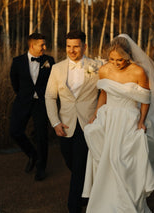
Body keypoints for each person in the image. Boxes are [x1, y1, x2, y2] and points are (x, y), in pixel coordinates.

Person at [82, 34, 154, 212]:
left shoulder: (138, 72)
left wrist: (141, 121)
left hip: (128, 118)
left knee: (121, 159)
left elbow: (146, 99)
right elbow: (103, 93)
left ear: (128, 56)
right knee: (105, 159)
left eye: (120, 59)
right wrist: (95, 114)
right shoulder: (104, 70)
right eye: (112, 59)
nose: (116, 63)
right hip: (108, 117)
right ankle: (106, 204)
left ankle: (127, 202)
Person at [45, 30, 101, 213]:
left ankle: (74, 206)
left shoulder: (97, 66)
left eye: (76, 46)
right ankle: (86, 192)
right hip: (66, 124)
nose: (72, 50)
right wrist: (55, 122)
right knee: (70, 161)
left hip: (89, 124)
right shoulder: (56, 69)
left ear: (84, 46)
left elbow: (109, 89)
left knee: (78, 166)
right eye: (69, 46)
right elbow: (50, 97)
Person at [10, 33, 55, 181]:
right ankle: (32, 154)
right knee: (15, 131)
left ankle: (41, 168)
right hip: (23, 101)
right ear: (32, 45)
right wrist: (25, 94)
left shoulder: (50, 61)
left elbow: (53, 83)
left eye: (44, 44)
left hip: (41, 103)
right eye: (41, 45)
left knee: (42, 135)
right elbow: (15, 83)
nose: (45, 47)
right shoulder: (17, 62)